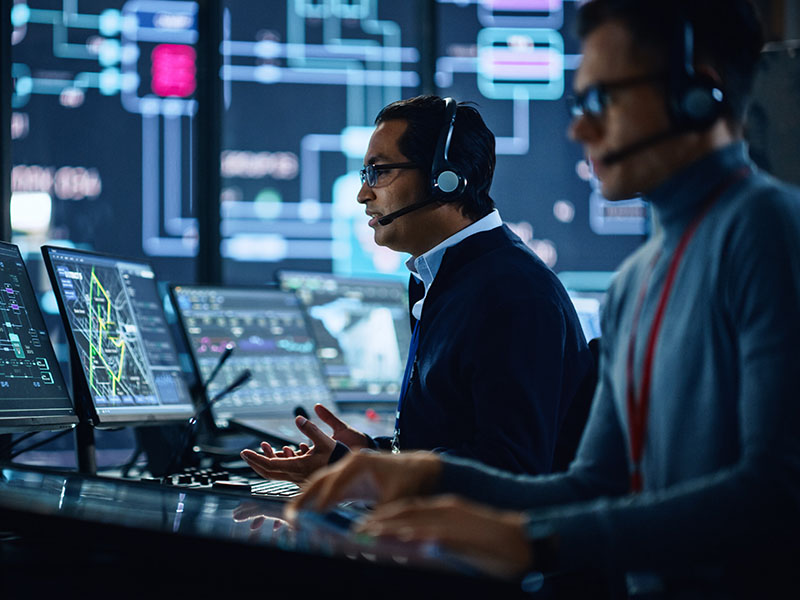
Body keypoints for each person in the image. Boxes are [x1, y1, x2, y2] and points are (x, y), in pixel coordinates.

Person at [284, 1, 800, 596]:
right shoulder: (636, 279)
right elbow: (590, 487)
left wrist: (531, 541)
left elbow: (777, 491)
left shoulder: (765, 229)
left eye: (601, 99)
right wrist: (416, 472)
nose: (580, 128)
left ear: (697, 94)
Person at [241, 95, 594, 480]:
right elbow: (449, 441)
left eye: (378, 172)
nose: (363, 194)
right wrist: (367, 455)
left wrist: (363, 474)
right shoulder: (443, 277)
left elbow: (511, 469)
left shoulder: (512, 293)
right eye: (364, 176)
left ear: (445, 178)